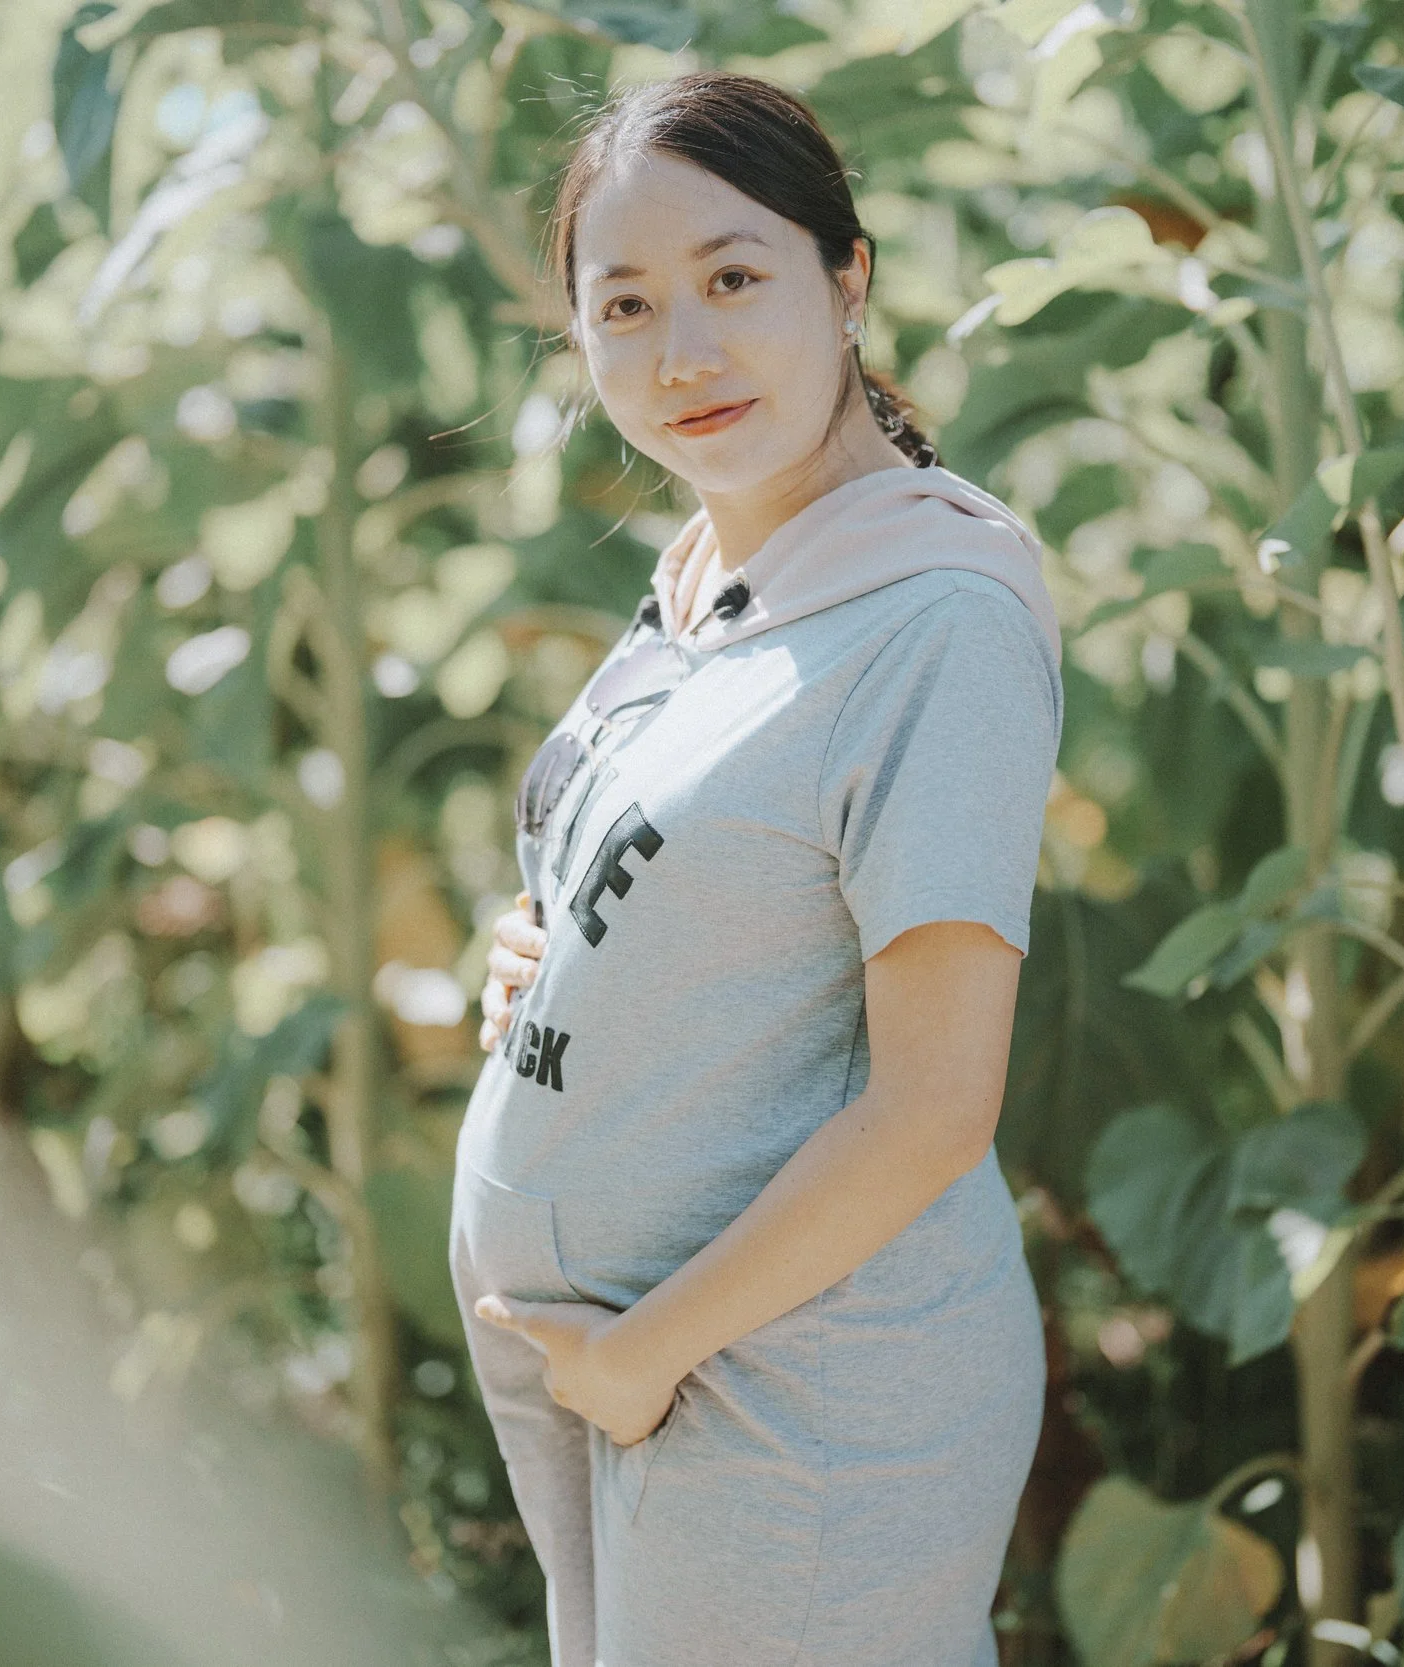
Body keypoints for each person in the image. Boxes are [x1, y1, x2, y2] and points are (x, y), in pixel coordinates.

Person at [447, 71, 1064, 1667]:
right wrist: (541, 952)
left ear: (845, 277)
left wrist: (640, 1355)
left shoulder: (935, 615)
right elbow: (705, 871)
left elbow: (936, 1102)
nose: (685, 352)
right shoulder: (722, 576)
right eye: (628, 304)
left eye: (735, 279)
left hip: (792, 1390)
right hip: (666, 1373)